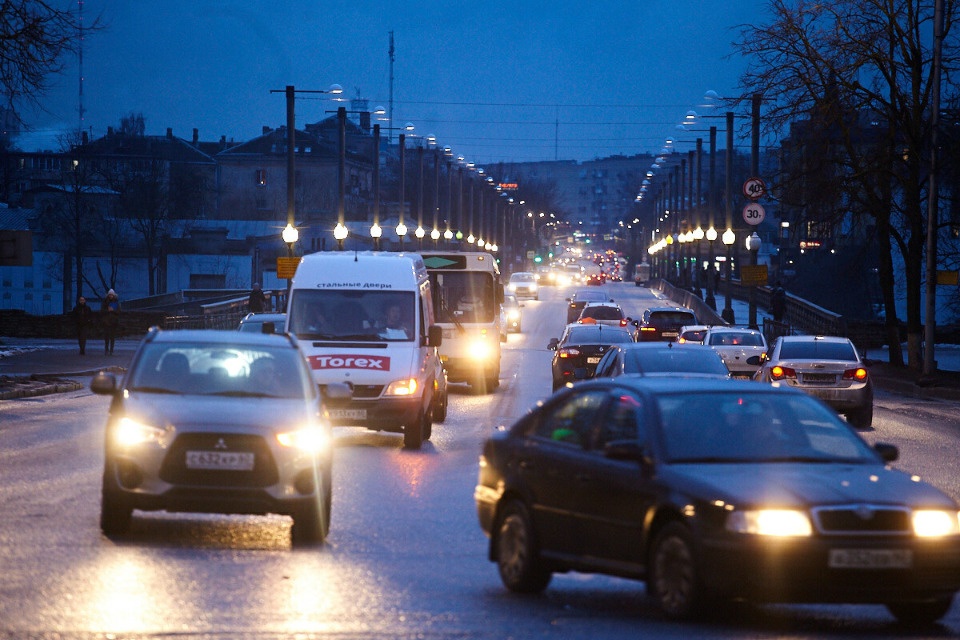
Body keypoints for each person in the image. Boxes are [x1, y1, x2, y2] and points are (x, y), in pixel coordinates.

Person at [100, 289, 121, 355]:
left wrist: (113, 310)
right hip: (106, 321)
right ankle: (106, 349)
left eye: (112, 295)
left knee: (112, 337)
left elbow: (119, 311)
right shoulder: (105, 302)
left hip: (113, 322)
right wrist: (108, 310)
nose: (111, 296)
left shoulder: (116, 302)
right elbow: (102, 311)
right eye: (110, 295)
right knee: (106, 336)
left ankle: (111, 350)